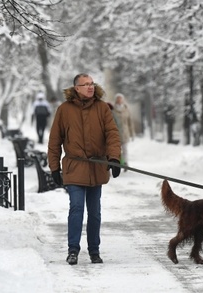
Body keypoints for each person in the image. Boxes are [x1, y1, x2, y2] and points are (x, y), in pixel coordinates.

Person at [47, 73, 121, 265]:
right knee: (77, 208)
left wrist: (114, 158)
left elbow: (112, 134)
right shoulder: (64, 110)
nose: (90, 87)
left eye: (92, 84)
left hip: (97, 167)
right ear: (76, 88)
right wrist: (54, 167)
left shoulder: (102, 108)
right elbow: (55, 140)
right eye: (86, 84)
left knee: (94, 212)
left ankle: (94, 250)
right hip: (74, 166)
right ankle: (73, 250)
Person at [113, 93, 135, 169]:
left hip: (125, 133)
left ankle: (125, 163)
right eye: (118, 99)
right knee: (118, 150)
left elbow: (130, 122)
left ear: (123, 100)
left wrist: (132, 134)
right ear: (116, 100)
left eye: (120, 98)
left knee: (125, 149)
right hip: (116, 133)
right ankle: (120, 163)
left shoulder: (126, 110)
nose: (119, 100)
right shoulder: (113, 110)